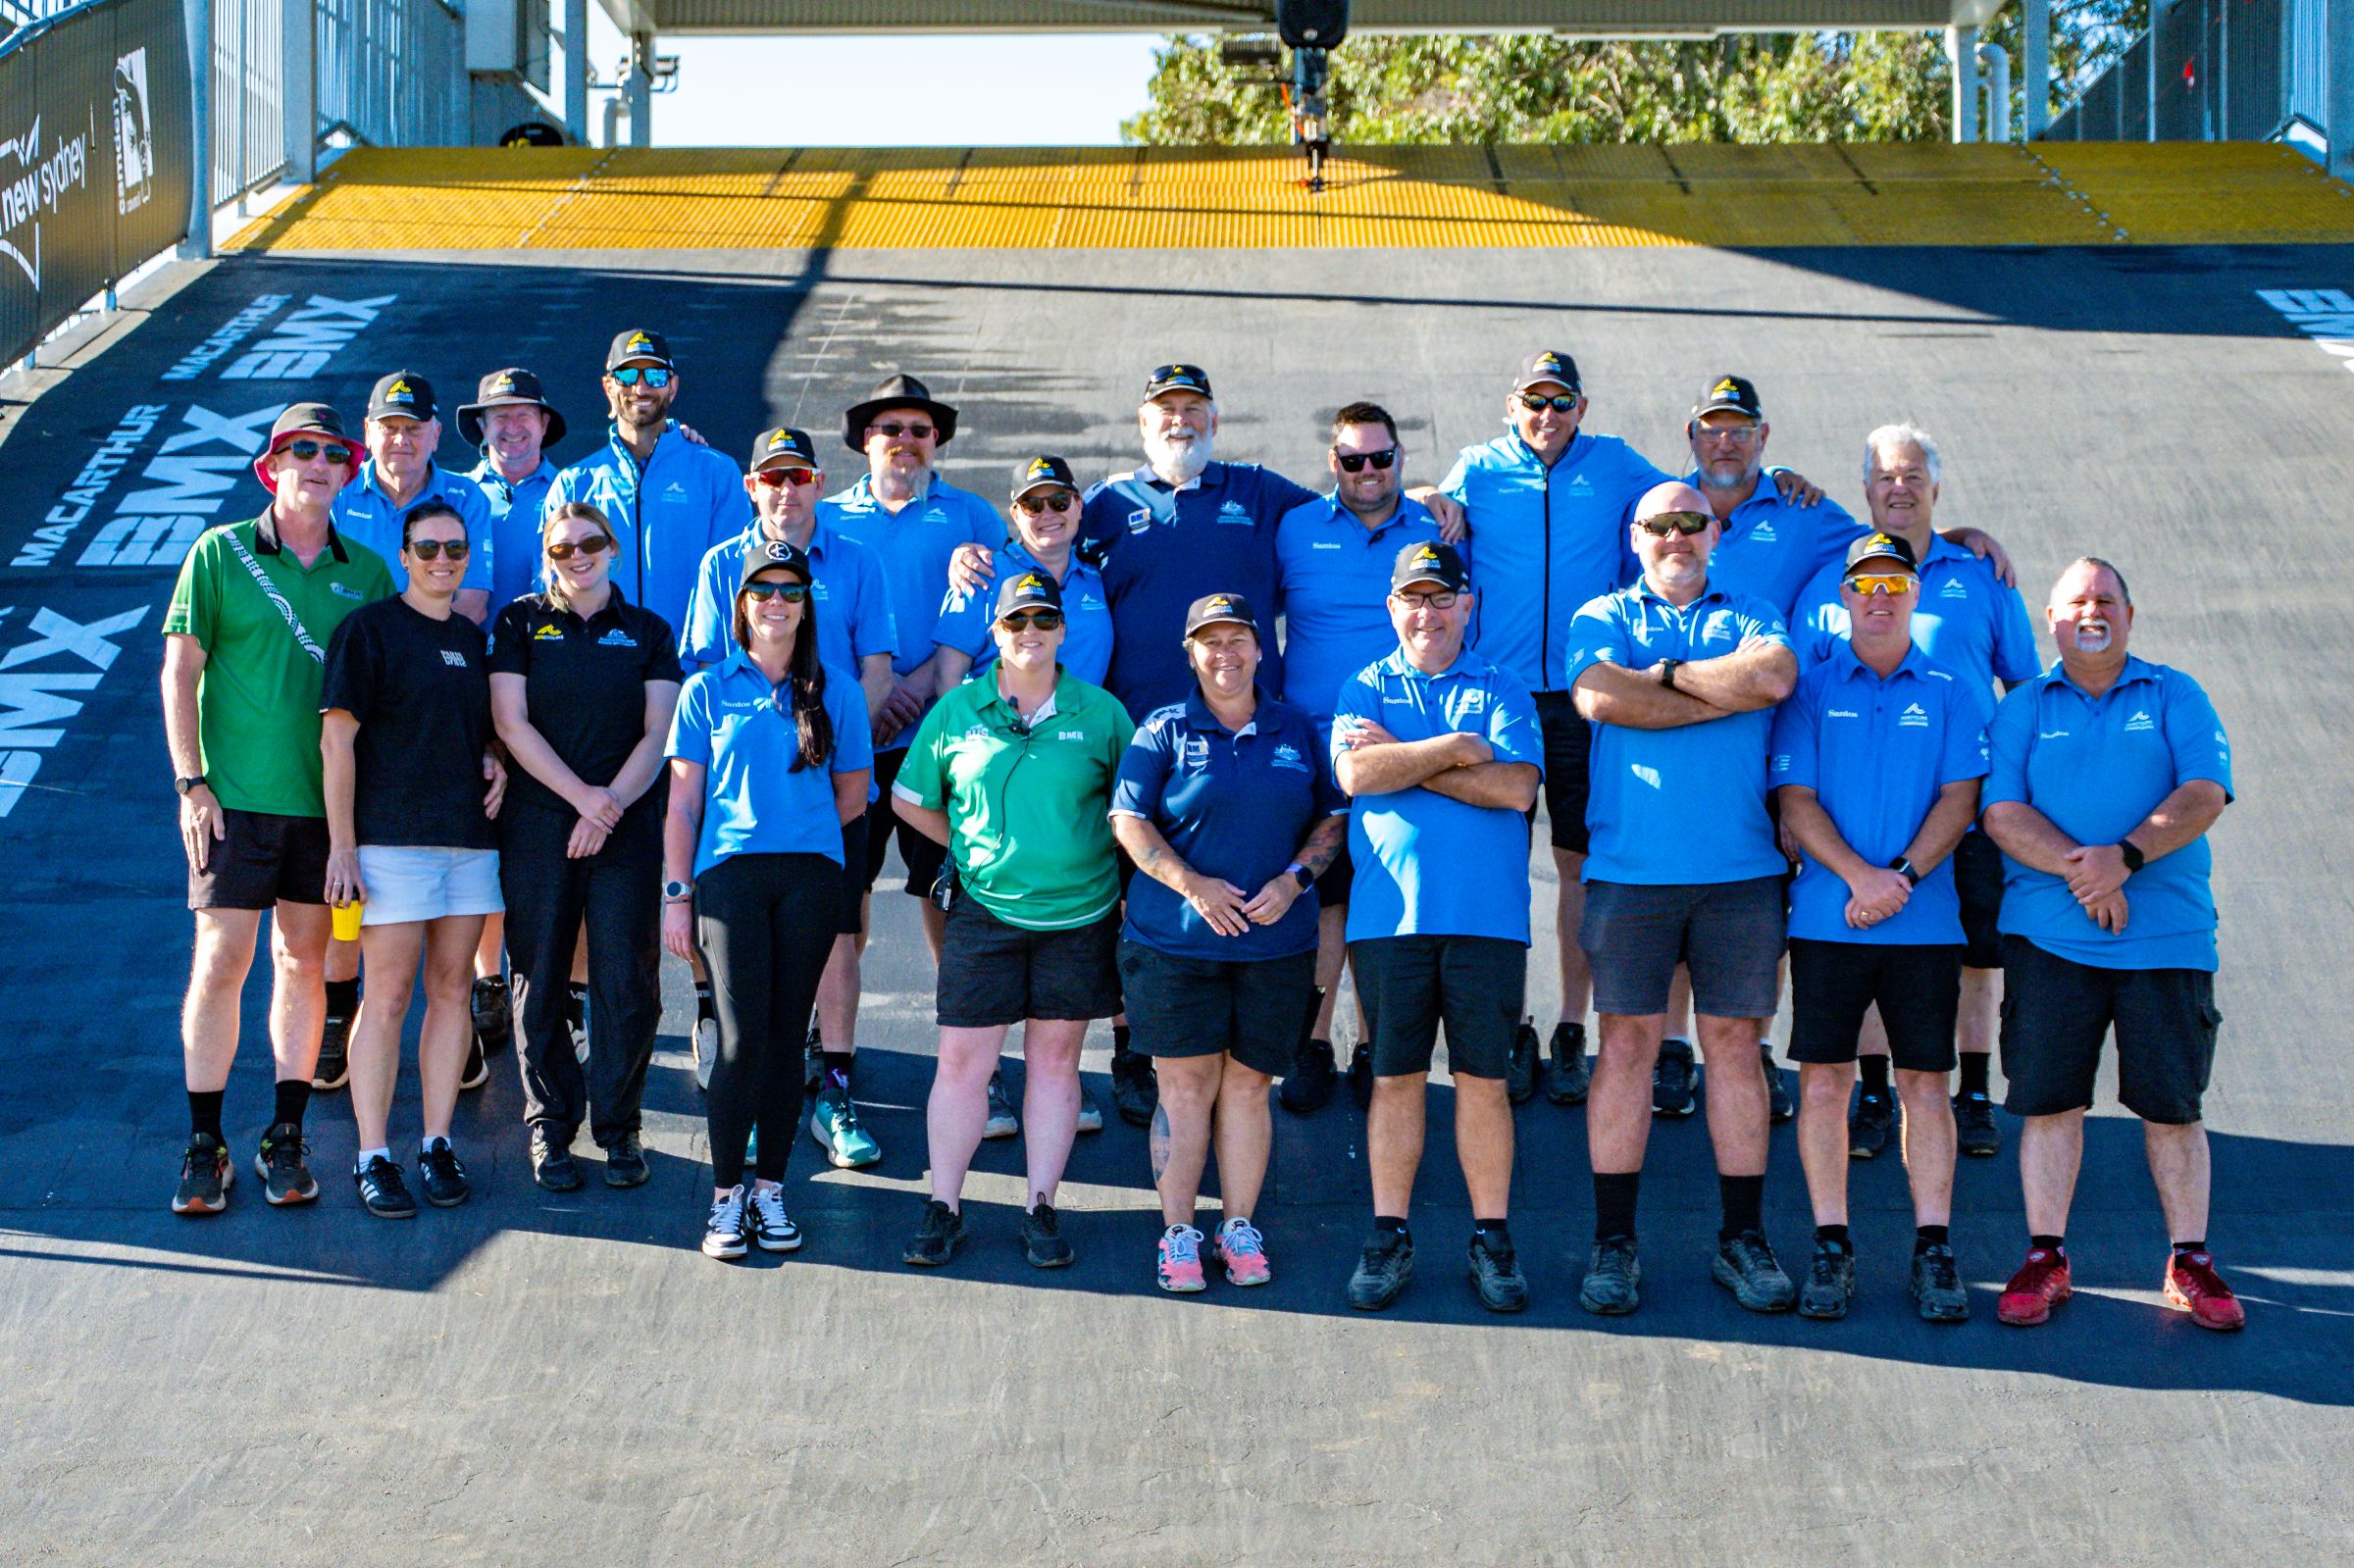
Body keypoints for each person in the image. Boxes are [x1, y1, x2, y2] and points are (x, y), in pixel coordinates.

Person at [948, 365, 1464, 1127]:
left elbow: (1353, 500)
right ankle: (1135, 1048)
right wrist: (981, 549)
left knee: (1293, 885)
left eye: (1193, 409)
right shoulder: (1112, 504)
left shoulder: (1257, 491)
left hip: (1254, 735)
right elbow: (1041, 537)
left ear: (1214, 418)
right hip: (1134, 735)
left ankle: (1297, 1040)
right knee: (1130, 889)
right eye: (1167, 411)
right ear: (1144, 421)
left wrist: (1422, 497)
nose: (1180, 422)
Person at [1440, 352, 1814, 1110]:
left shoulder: (1614, 464)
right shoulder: (1476, 468)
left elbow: (1698, 493)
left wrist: (1784, 484)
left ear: (1583, 405)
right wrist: (1424, 492)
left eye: (1562, 402)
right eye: (1535, 402)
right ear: (1513, 404)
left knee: (1578, 864)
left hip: (1590, 692)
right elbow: (1425, 512)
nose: (1547, 416)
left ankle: (1572, 1024)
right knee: (1496, 860)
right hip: (1505, 693)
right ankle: (1511, 1024)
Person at [1980, 559, 2241, 1331]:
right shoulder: (2023, 707)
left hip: (2166, 941)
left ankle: (2190, 1260)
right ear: (2051, 620)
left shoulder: (2175, 694)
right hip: (2051, 938)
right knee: (2050, 1103)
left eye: (2106, 600)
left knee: (2172, 1109)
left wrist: (2121, 858)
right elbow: (2001, 813)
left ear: (2130, 613)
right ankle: (2045, 1256)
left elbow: (2202, 793)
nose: (2091, 612)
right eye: (2077, 602)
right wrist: (2090, 874)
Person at [1565, 481, 1799, 1317]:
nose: (1675, 536)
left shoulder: (1756, 611)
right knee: (1626, 1048)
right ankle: (1613, 1244)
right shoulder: (1600, 614)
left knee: (1734, 1048)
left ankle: (1742, 1239)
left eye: (1690, 523)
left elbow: (1772, 677)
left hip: (1741, 871)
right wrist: (1705, 688)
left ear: (1714, 533)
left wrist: (1657, 681)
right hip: (1631, 871)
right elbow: (1598, 696)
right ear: (1636, 537)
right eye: (1659, 525)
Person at [162, 403, 392, 1214]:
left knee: (303, 963)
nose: (320, 463)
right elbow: (179, 674)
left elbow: (389, 698)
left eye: (336, 453)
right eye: (302, 450)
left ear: (348, 472)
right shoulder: (217, 553)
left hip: (324, 815)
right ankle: (204, 1143)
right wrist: (192, 784)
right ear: (271, 468)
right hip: (232, 808)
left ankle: (284, 1136)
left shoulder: (368, 571)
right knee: (222, 962)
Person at [1794, 425, 2041, 1161]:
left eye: (1912, 476)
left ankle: (1971, 1088)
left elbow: (2024, 688)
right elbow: (1797, 693)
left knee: (1974, 955)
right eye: (1884, 477)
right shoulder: (1826, 584)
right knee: (1872, 933)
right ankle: (1875, 1089)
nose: (1898, 487)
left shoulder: (1978, 574)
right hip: (1862, 812)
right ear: (1865, 490)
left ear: (1934, 487)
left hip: (1965, 808)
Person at [1769, 532, 1987, 1322]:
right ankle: (1832, 1243)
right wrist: (1863, 880)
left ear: (1914, 593)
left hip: (1923, 925)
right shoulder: (1810, 690)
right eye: (1866, 584)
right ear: (1846, 598)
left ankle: (1934, 1247)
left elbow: (1960, 801)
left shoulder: (1952, 691)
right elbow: (1796, 802)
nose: (1880, 596)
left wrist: (1899, 880)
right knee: (1824, 1082)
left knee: (1925, 1084)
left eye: (1895, 582)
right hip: (1830, 920)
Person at [892, 571, 1133, 1272]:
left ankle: (1041, 1207)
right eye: (1015, 622)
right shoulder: (957, 711)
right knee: (963, 1062)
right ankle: (944, 1205)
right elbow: (910, 800)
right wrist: (969, 846)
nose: (1030, 633)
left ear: (1063, 631)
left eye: (1043, 621)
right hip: (984, 915)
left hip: (1078, 915)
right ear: (994, 634)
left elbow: (1132, 809)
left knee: (1056, 1061)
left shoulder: (1102, 712)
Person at [1110, 593, 1347, 1292]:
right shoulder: (1163, 728)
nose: (1225, 653)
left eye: (1237, 638)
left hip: (1274, 947)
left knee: (1247, 1088)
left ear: (1258, 647)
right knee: (1184, 1087)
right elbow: (1128, 820)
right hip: (1174, 945)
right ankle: (1179, 1233)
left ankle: (1238, 1225)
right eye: (1209, 641)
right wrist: (1191, 884)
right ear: (1191, 652)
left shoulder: (1296, 727)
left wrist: (1296, 878)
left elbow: (1332, 819)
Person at [1331, 542, 1543, 1314]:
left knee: (1485, 1082)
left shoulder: (1503, 685)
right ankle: (1388, 1234)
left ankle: (1492, 1238)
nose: (1427, 613)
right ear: (1393, 607)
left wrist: (1410, 758)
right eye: (1412, 599)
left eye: (1440, 597)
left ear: (1467, 604)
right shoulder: (1363, 682)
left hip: (1487, 922)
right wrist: (1456, 750)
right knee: (1394, 1078)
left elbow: (1517, 787)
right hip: (1389, 921)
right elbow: (1357, 775)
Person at [679, 426, 896, 1167]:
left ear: (817, 480)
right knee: (741, 958)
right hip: (742, 794)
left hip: (829, 784)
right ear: (751, 486)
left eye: (798, 474)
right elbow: (709, 674)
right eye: (770, 476)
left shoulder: (858, 561)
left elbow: (878, 669)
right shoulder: (720, 565)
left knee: (840, 937)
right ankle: (735, 1060)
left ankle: (833, 1084)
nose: (785, 488)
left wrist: (824, 740)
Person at [662, 537, 873, 1261]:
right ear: (742, 604)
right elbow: (683, 805)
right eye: (763, 591)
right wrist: (675, 895)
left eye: (790, 590)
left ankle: (771, 1188)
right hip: (730, 878)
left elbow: (851, 796)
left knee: (788, 1038)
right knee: (742, 1037)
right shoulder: (707, 689)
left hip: (810, 877)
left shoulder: (835, 688)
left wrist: (811, 846)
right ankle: (725, 1196)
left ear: (805, 604)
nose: (776, 603)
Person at [547, 328, 754, 1049]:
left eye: (654, 372)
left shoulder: (715, 473)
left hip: (691, 697)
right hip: (597, 703)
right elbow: (551, 587)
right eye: (627, 374)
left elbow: (738, 581)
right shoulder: (573, 482)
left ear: (673, 385)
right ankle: (576, 1005)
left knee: (690, 855)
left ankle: (704, 999)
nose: (642, 385)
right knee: (589, 854)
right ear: (608, 387)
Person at [320, 500, 508, 1217]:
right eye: (427, 547)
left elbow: (482, 732)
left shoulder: (472, 638)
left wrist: (496, 759)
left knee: (454, 990)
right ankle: (373, 1153)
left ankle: (436, 1141)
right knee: (388, 995)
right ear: (404, 553)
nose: (442, 559)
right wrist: (343, 846)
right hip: (388, 846)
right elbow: (336, 742)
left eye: (454, 548)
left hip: (467, 845)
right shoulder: (367, 631)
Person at [489, 500, 682, 1193]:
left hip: (625, 822)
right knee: (539, 974)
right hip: (541, 822)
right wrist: (582, 799)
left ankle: (621, 1126)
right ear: (547, 553)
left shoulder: (648, 631)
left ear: (613, 547)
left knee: (627, 977)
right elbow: (511, 724)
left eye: (591, 542)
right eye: (563, 546)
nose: (578, 555)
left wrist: (607, 810)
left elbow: (658, 733)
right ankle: (551, 1123)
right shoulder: (518, 622)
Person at [1270, 402, 1451, 1114]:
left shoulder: (1434, 529)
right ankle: (1312, 1043)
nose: (1369, 472)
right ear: (1332, 463)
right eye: (1353, 460)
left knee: (1388, 901)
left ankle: (1379, 1049)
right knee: (1324, 902)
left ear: (1401, 457)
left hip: (1404, 748)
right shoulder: (1294, 529)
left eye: (1381, 458)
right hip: (1313, 750)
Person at [823, 374, 1002, 995]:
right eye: (891, 429)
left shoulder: (972, 515)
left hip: (940, 738)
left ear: (935, 442)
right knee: (849, 891)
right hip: (852, 738)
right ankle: (829, 1034)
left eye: (920, 431)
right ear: (865, 440)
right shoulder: (825, 518)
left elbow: (992, 616)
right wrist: (872, 690)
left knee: (944, 888)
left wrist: (914, 684)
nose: (906, 441)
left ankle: (961, 1021)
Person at [456, 366, 569, 1064]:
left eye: (523, 413)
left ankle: (553, 986)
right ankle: (487, 977)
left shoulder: (573, 490)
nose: (511, 425)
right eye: (498, 416)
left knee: (545, 846)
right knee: (479, 839)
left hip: (551, 692)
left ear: (544, 423)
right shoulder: (457, 495)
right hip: (468, 690)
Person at [332, 372, 494, 625]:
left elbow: (473, 604)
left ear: (436, 435)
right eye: (389, 427)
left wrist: (408, 649)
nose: (401, 439)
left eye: (413, 428)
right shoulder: (339, 489)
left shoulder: (466, 498)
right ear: (367, 432)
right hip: (350, 648)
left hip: (430, 655)